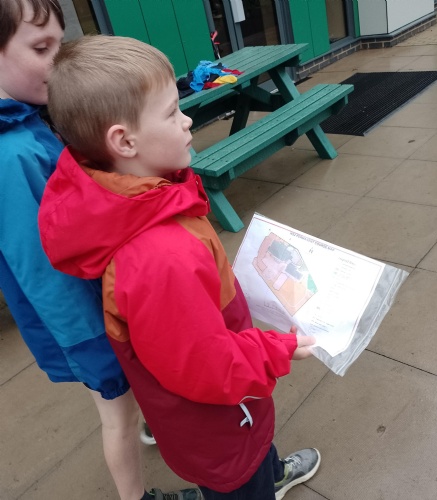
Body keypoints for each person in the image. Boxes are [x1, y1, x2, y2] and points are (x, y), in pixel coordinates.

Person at [38, 34, 321, 500]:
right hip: (221, 424)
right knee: (242, 481)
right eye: (171, 112)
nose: (187, 119)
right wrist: (278, 348)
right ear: (124, 141)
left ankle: (271, 472)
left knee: (256, 459)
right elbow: (207, 367)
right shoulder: (158, 256)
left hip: (227, 413)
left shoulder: (147, 196)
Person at [0, 2, 200, 499]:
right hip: (86, 322)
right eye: (41, 48)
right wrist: (91, 344)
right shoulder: (12, 153)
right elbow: (39, 270)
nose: (57, 61)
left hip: (101, 303)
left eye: (60, 43)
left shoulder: (25, 122)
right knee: (117, 416)